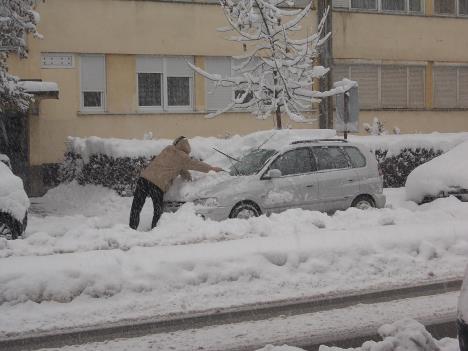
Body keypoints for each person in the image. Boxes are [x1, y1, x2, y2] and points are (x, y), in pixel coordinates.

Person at [129, 136, 223, 230]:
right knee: (157, 211)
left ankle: (131, 229)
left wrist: (186, 174)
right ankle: (155, 230)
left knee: (136, 208)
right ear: (187, 147)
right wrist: (212, 168)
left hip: (144, 179)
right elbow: (196, 165)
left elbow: (176, 167)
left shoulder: (168, 149)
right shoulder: (183, 157)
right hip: (156, 184)